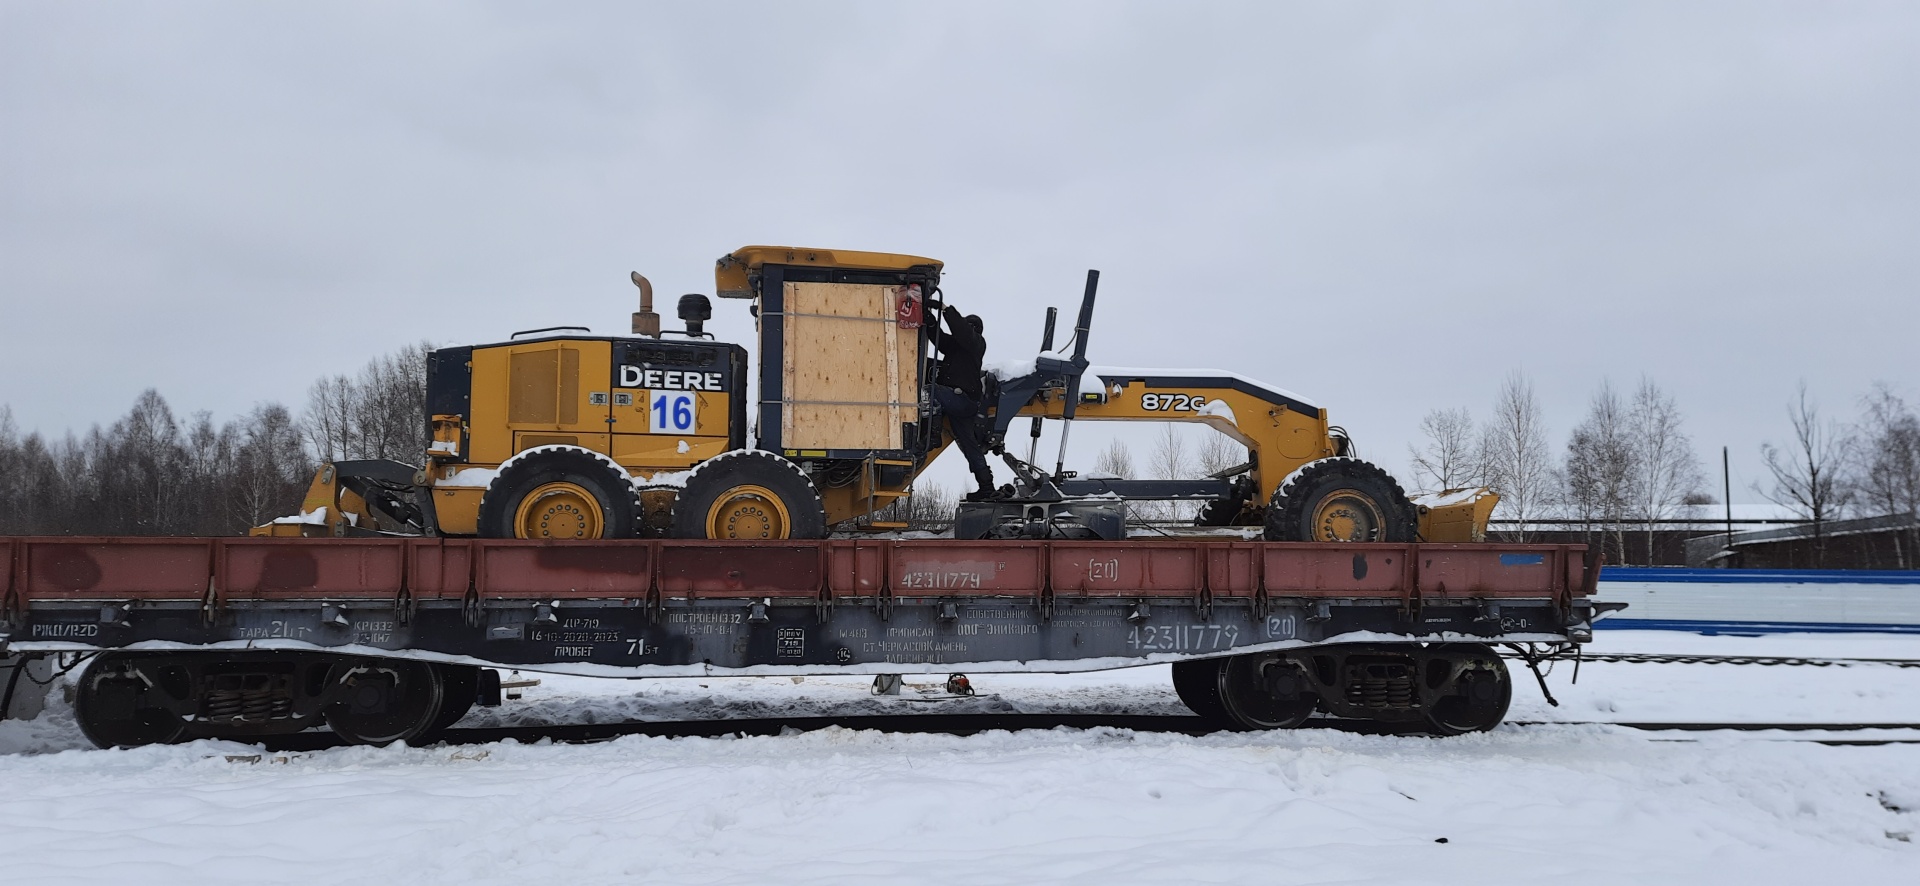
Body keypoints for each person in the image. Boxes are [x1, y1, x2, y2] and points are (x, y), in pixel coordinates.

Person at [926, 303, 997, 500]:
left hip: (962, 399)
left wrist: (945, 309)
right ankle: (987, 486)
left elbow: (962, 331)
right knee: (969, 446)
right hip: (963, 404)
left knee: (929, 391)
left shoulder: (976, 343)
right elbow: (939, 339)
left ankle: (932, 433)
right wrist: (928, 318)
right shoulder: (957, 348)